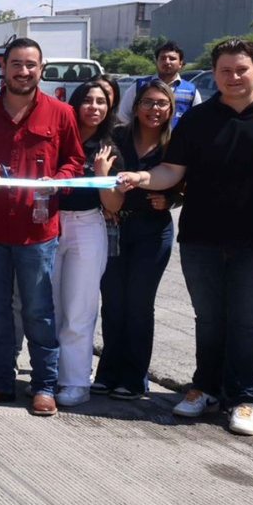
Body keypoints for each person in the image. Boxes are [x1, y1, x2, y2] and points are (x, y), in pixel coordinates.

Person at [119, 39, 253, 437]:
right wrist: (142, 177)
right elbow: (172, 171)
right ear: (214, 74)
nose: (234, 77)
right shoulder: (199, 118)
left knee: (249, 323)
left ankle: (243, 398)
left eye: (241, 69)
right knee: (209, 320)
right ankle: (205, 388)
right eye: (225, 71)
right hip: (202, 239)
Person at [0, 38, 84, 416]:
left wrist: (60, 178)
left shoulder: (60, 113)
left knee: (39, 311)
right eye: (16, 64)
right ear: (4, 68)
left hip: (37, 233)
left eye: (30, 65)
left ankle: (43, 385)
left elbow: (75, 160)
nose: (23, 72)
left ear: (41, 69)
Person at [94, 79, 179, 400]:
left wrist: (171, 198)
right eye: (148, 102)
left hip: (152, 232)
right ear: (136, 105)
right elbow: (100, 174)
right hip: (114, 227)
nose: (154, 110)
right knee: (113, 302)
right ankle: (108, 372)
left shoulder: (174, 142)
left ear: (170, 108)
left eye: (161, 104)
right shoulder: (117, 135)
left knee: (139, 305)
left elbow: (189, 177)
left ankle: (134, 378)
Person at [51, 80, 122, 407]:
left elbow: (113, 206)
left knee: (79, 309)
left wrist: (101, 173)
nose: (94, 107)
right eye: (88, 101)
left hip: (87, 227)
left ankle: (76, 382)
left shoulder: (110, 148)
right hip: (50, 226)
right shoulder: (58, 139)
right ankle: (47, 376)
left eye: (101, 102)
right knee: (49, 307)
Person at [118, 41, 200, 125]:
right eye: (163, 58)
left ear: (181, 63)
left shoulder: (191, 91)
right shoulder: (140, 86)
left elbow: (198, 119)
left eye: (172, 59)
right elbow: (123, 115)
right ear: (156, 62)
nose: (167, 62)